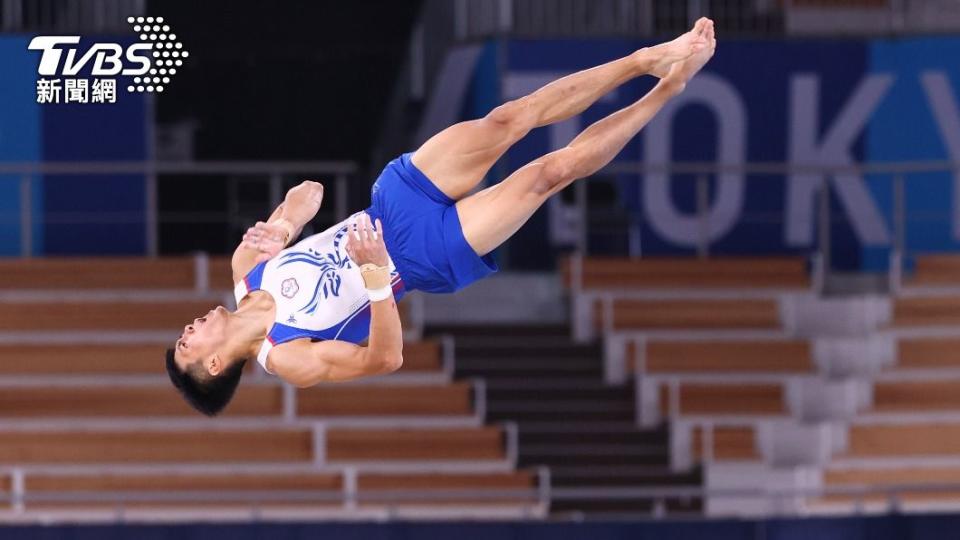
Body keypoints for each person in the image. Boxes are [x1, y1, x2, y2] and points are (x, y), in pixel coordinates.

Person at [166, 18, 717, 416]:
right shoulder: (288, 359)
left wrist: (284, 226)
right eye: (189, 343)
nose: (190, 327)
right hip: (417, 257)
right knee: (548, 173)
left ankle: (648, 59)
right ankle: (668, 89)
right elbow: (387, 359)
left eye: (184, 331)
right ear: (215, 366)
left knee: (508, 120)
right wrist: (378, 278)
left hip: (393, 200)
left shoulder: (246, 265)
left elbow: (307, 193)